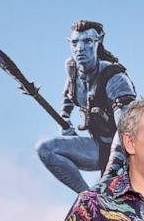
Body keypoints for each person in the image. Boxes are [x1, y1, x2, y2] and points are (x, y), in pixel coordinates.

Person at [37, 20, 136, 193]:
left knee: (117, 206)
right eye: (75, 42)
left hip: (130, 156)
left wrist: (108, 175)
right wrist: (65, 120)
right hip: (98, 147)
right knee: (45, 149)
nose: (80, 48)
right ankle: (87, 198)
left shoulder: (115, 78)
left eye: (87, 42)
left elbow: (126, 131)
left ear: (98, 42)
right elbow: (68, 94)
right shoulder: (73, 69)